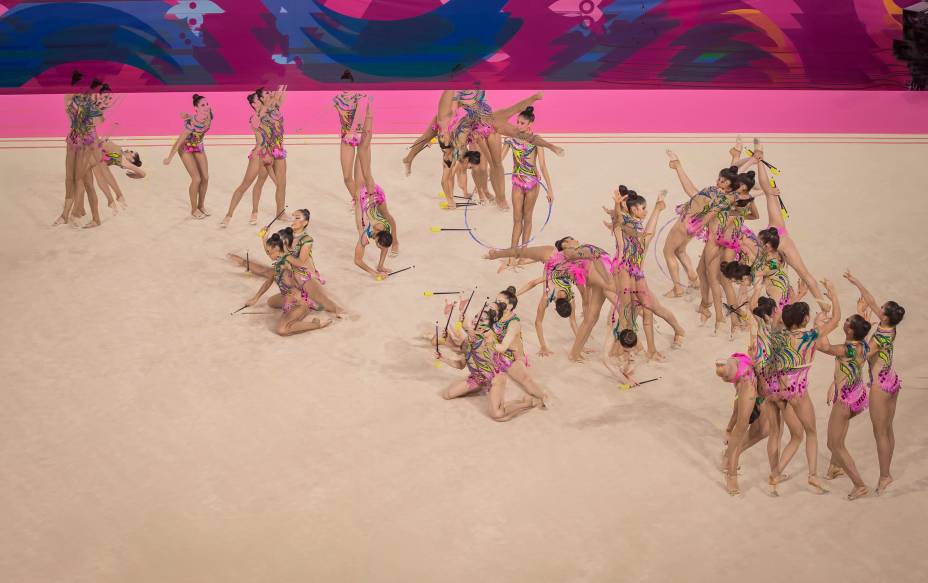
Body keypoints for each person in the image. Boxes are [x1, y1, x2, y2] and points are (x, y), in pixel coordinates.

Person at [843, 270, 905, 495]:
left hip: (880, 387)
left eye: (882, 309)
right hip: (893, 381)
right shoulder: (892, 328)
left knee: (880, 432)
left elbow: (863, 357)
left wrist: (861, 318)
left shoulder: (879, 337)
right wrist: (856, 281)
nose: (878, 308)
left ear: (885, 316)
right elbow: (870, 298)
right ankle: (887, 472)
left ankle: (885, 475)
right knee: (888, 429)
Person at [243, 231, 333, 336]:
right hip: (287, 295)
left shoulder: (286, 263)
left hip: (297, 301)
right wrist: (256, 298)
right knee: (270, 302)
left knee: (282, 330)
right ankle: (301, 311)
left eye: (268, 251)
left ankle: (316, 324)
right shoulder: (278, 262)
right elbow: (268, 282)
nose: (267, 253)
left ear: (276, 250)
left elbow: (296, 273)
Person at [164, 93, 213, 219]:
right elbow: (178, 141)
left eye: (207, 104)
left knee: (206, 178)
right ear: (196, 108)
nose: (207, 107)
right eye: (203, 105)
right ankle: (193, 209)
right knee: (196, 179)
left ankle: (201, 206)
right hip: (185, 148)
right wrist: (170, 157)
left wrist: (188, 116)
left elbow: (199, 117)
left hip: (198, 146)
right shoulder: (190, 124)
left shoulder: (209, 115)